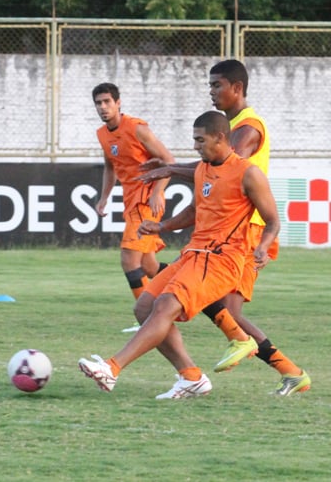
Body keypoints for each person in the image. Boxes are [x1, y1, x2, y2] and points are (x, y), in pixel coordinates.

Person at [138, 60, 310, 397]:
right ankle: (289, 371)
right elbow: (209, 166)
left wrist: (170, 168)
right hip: (227, 233)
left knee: (222, 308)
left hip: (246, 232)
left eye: (217, 85)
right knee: (214, 303)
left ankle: (282, 368)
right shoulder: (230, 125)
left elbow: (223, 167)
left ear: (237, 88)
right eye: (210, 86)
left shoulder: (247, 128)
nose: (211, 91)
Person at [78, 110, 280, 396]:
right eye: (194, 140)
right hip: (195, 253)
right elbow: (194, 212)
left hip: (222, 259)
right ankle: (191, 376)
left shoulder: (248, 173)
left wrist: (262, 246)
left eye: (200, 140)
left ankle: (112, 368)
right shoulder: (204, 170)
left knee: (164, 307)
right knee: (144, 308)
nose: (196, 146)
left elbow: (273, 220)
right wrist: (161, 226)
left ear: (220, 138)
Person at [92, 83, 175, 333]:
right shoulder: (102, 134)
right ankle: (190, 284)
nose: (103, 107)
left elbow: (168, 161)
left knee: (129, 259)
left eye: (107, 102)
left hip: (146, 200)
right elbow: (110, 166)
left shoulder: (137, 129)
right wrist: (104, 197)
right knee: (149, 266)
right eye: (98, 103)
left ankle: (148, 320)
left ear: (118, 103)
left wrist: (158, 191)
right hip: (131, 201)